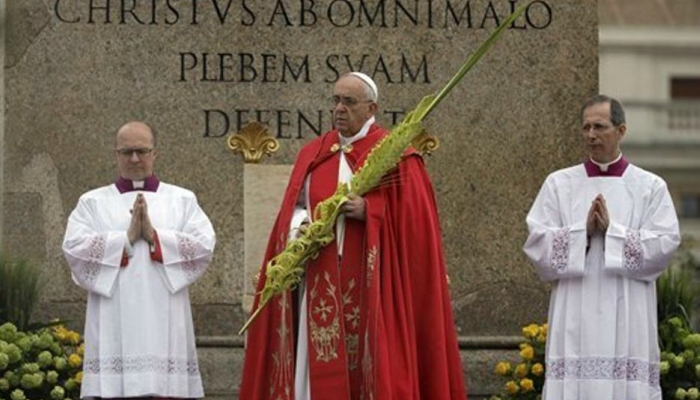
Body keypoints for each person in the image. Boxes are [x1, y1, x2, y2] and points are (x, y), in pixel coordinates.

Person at [239, 72, 467, 400]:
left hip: (374, 285)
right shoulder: (314, 153)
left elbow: (419, 225)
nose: (339, 109)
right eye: (335, 100)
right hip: (318, 279)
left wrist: (370, 211)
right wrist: (300, 228)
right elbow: (295, 208)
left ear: (371, 108)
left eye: (349, 102)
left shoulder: (396, 154)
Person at [523, 95, 680, 400]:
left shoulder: (649, 187)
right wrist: (583, 232)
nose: (591, 135)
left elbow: (665, 244)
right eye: (586, 128)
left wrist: (613, 233)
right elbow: (537, 245)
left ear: (621, 130)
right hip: (575, 305)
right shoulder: (559, 184)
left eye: (599, 127)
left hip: (628, 305)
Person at [62, 121, 216, 399]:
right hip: (113, 315)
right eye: (127, 152)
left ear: (155, 153)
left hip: (164, 313)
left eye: (142, 151)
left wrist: (156, 238)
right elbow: (74, 249)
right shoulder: (92, 202)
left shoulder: (182, 199)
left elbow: (203, 246)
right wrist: (126, 239)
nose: (135, 159)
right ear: (116, 154)